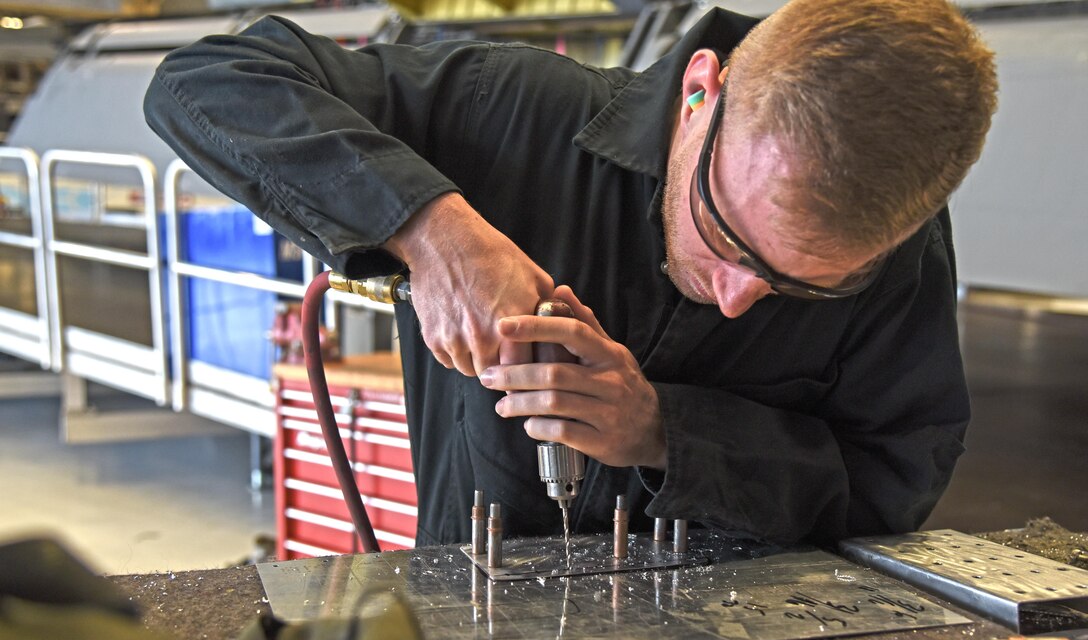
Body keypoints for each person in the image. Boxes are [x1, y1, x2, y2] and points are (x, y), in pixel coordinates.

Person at [144, 0, 998, 547]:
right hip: (473, 629)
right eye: (726, 234)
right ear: (701, 94)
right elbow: (206, 81)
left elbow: (894, 484)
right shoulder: (507, 111)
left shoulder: (895, 243)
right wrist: (429, 227)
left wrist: (669, 433)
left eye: (807, 287)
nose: (741, 299)